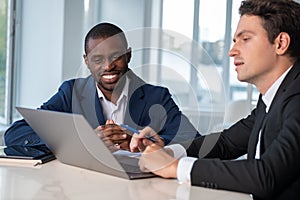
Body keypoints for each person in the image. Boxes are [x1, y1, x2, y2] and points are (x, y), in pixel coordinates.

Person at [130, 0, 300, 199]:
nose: (232, 51)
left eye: (245, 39)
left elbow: (265, 176)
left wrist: (175, 167)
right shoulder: (275, 97)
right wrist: (168, 152)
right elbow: (226, 143)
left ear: (280, 43)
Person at [4, 22, 199, 151]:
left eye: (115, 57)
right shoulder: (71, 92)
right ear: (87, 61)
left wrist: (140, 142)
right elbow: (16, 134)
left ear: (128, 56)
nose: (108, 66)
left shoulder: (156, 96)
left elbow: (193, 141)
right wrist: (82, 140)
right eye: (97, 59)